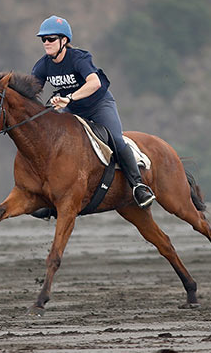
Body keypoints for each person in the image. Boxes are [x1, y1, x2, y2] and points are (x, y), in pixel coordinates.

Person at [31, 15, 155, 210]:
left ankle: (139, 186)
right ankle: (51, 196)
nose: (46, 43)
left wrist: (69, 98)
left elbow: (94, 83)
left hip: (99, 105)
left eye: (51, 38)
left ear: (64, 41)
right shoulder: (42, 65)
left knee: (115, 138)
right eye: (43, 39)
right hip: (72, 109)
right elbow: (31, 93)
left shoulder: (79, 58)